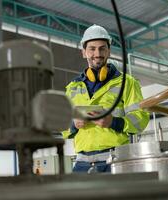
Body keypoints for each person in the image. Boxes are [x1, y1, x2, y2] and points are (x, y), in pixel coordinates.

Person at [62, 24, 149, 173]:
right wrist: (73, 124)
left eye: (102, 48)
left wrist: (114, 122)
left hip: (115, 159)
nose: (97, 53)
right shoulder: (72, 88)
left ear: (108, 51)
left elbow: (140, 119)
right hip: (82, 162)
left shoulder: (127, 83)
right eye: (92, 48)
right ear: (84, 52)